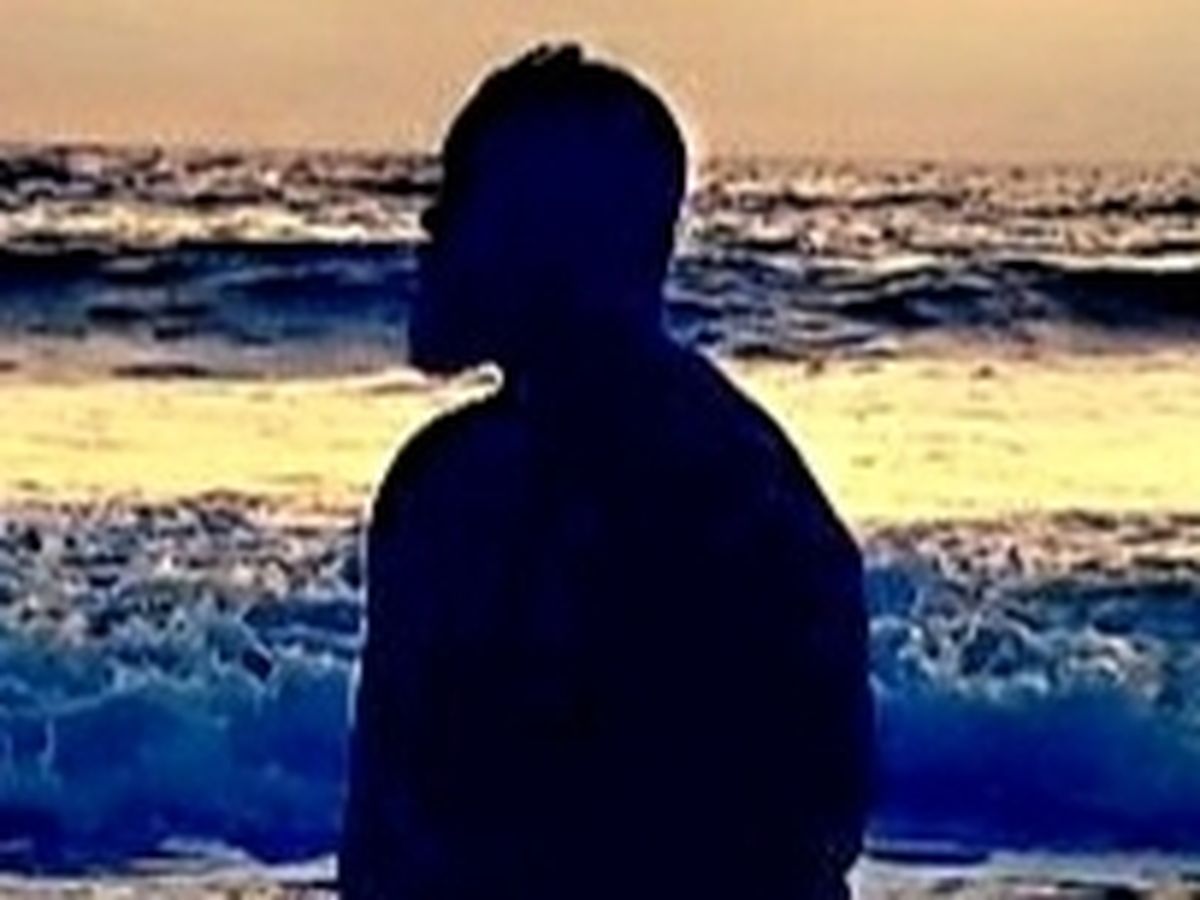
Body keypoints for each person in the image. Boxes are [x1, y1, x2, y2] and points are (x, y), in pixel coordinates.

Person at [339, 44, 872, 900]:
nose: (429, 226)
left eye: (462, 191)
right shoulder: (768, 498)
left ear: (544, 238)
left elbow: (388, 857)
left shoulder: (458, 494)